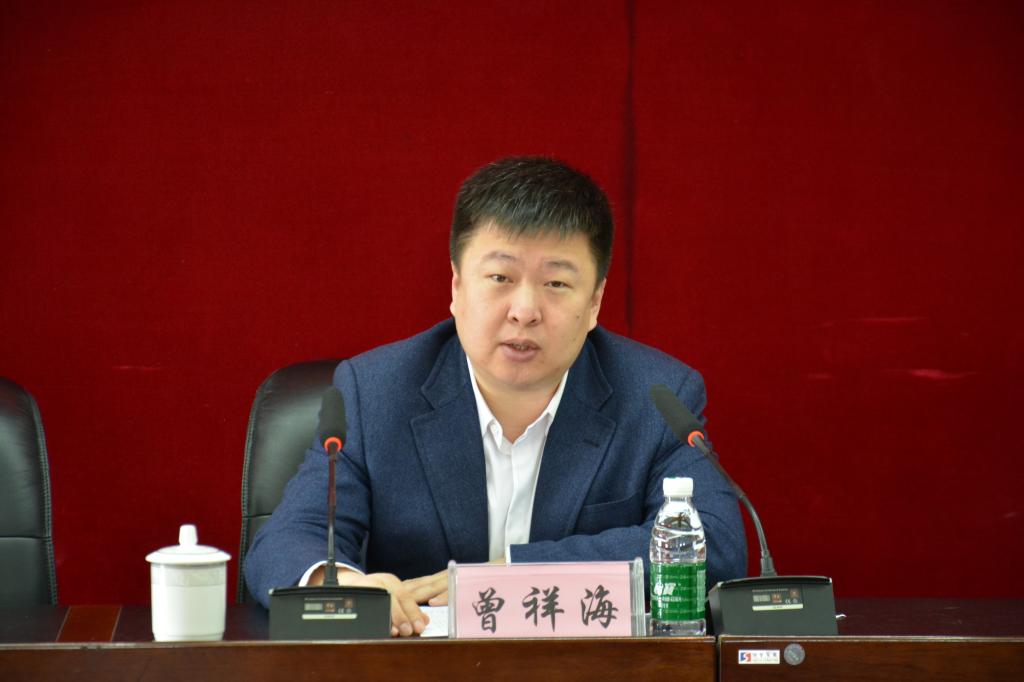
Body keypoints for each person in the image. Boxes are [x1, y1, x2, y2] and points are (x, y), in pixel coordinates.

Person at [244, 156, 747, 636]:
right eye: (500, 278)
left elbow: (717, 547)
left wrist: (510, 576)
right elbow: (288, 539)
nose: (524, 310)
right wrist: (341, 586)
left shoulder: (656, 398)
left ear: (595, 302)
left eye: (556, 283)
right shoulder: (375, 392)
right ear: (457, 287)